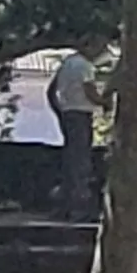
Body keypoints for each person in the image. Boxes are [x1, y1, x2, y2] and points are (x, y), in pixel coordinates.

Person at [46, 47, 101, 218]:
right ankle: (78, 205)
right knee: (81, 160)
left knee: (70, 158)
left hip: (68, 113)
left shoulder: (66, 64)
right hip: (81, 113)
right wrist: (105, 102)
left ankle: (66, 205)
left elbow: (50, 91)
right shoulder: (85, 66)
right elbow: (89, 90)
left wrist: (59, 111)